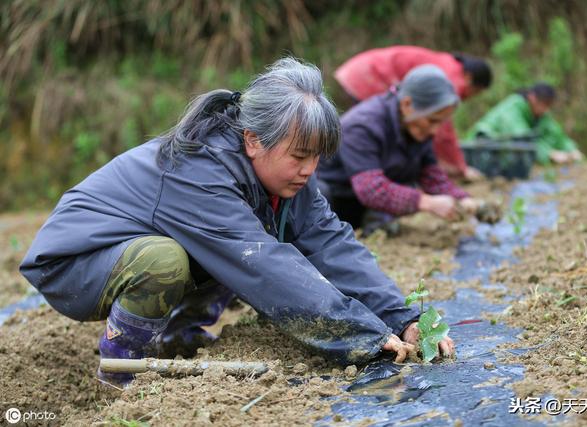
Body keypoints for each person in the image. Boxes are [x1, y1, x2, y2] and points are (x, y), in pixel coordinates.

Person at [19, 58, 454, 387]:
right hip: (73, 263)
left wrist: (400, 318)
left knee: (233, 246)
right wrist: (359, 336)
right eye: (299, 155)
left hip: (123, 253)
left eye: (317, 157)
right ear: (252, 139)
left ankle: (178, 338)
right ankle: (122, 368)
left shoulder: (284, 179)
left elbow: (332, 243)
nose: (309, 169)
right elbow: (261, 264)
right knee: (176, 258)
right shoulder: (197, 170)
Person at [317, 65, 480, 235]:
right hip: (335, 200)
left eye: (440, 123)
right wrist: (427, 202)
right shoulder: (363, 126)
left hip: (365, 205)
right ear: (407, 104)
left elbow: (433, 179)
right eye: (432, 121)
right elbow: (371, 189)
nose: (434, 131)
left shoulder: (416, 127)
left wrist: (464, 199)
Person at [334, 46, 493, 180]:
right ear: (469, 77)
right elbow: (444, 130)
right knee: (373, 133)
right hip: (369, 74)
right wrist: (461, 168)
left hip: (361, 67)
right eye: (476, 92)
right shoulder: (451, 77)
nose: (472, 97)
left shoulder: (447, 64)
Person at [466, 83, 583, 164]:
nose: (546, 109)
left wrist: (572, 150)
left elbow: (556, 134)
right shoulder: (513, 108)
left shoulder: (540, 113)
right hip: (479, 151)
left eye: (549, 105)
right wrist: (550, 154)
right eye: (544, 104)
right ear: (532, 98)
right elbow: (522, 140)